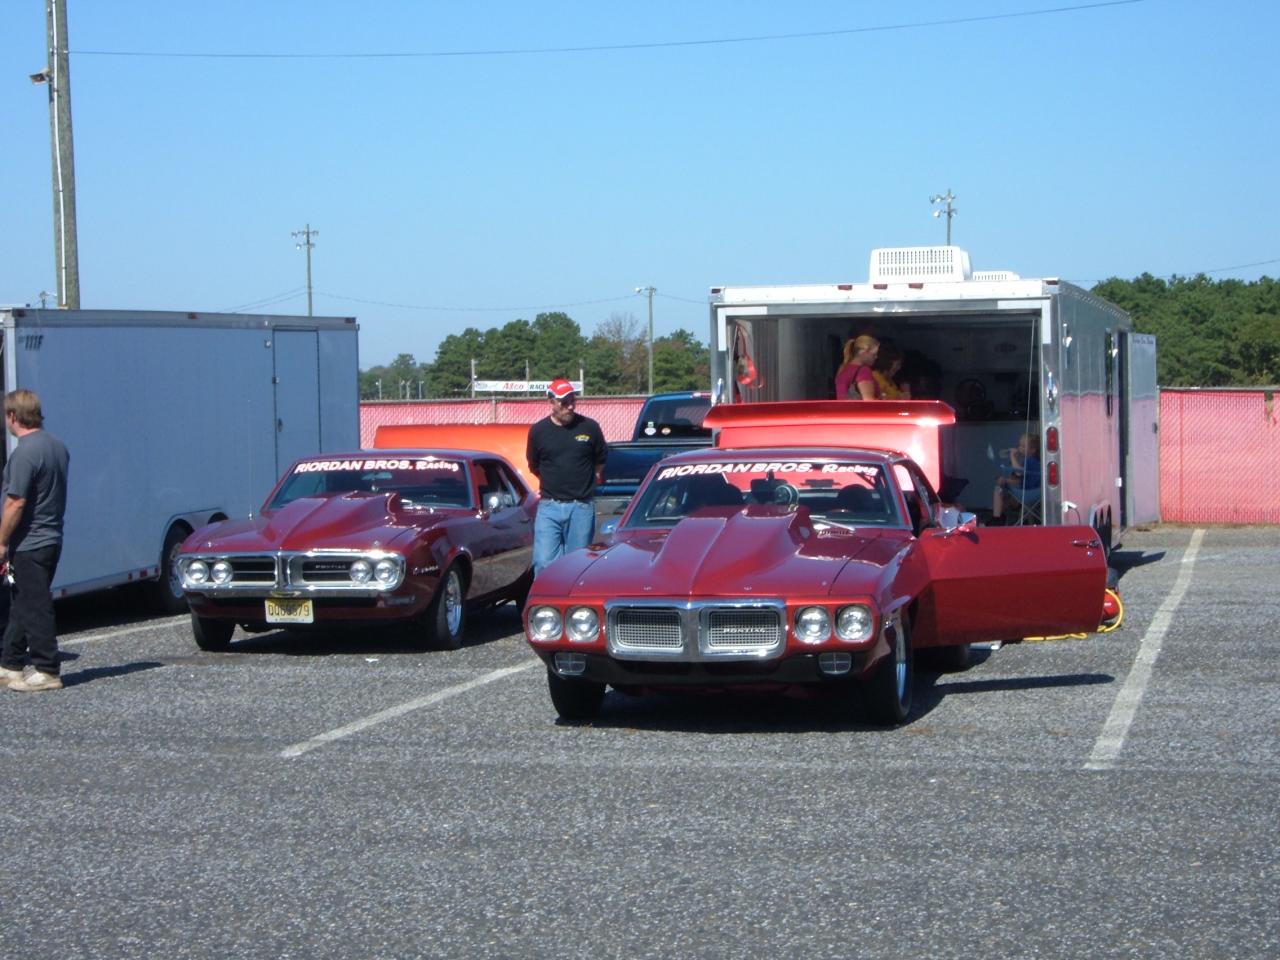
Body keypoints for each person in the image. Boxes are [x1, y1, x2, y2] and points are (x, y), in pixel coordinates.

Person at [0, 390, 71, 692]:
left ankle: (47, 669)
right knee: (22, 603)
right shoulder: (57, 447)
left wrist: (2, 542)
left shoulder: (25, 453)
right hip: (51, 537)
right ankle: (10, 664)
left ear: (13, 416)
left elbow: (15, 502)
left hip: (30, 541)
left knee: (36, 605)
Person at [526, 379, 607, 575]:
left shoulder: (589, 427)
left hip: (581, 507)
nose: (570, 406)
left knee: (576, 565)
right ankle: (545, 596)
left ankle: (572, 596)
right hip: (549, 506)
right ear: (551, 402)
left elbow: (600, 461)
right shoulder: (539, 431)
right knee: (543, 562)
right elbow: (534, 465)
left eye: (573, 401)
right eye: (564, 402)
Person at [991, 433, 1041, 524]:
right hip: (1033, 493)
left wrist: (1012, 456)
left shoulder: (1030, 461)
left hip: (1028, 494)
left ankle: (997, 519)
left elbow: (1018, 472)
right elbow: (1021, 480)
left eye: (1023, 446)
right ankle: (1002, 517)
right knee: (1002, 485)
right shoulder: (1032, 462)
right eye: (1019, 445)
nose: (1020, 448)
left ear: (1033, 450)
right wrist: (1006, 481)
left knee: (998, 489)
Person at [834, 335, 881, 400]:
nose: (876, 357)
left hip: (842, 406)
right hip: (858, 407)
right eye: (874, 354)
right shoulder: (863, 371)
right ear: (863, 352)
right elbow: (869, 401)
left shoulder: (842, 368)